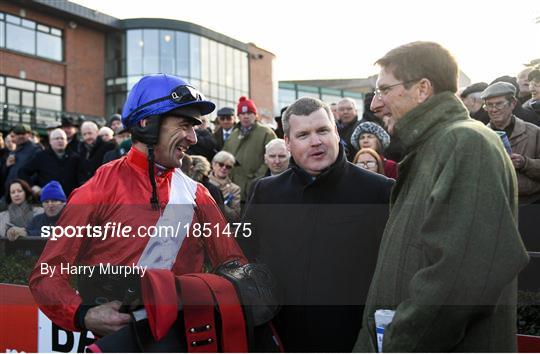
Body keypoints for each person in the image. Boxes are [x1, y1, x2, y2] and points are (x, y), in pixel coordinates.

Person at [29, 74, 246, 336]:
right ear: (147, 124)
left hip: (183, 339)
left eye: (194, 127)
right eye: (184, 125)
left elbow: (233, 265)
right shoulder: (96, 191)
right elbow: (47, 274)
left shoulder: (198, 194)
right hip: (119, 343)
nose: (193, 138)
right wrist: (82, 313)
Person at [355, 41, 529, 352]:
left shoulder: (466, 143)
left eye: (385, 90)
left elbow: (461, 280)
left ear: (422, 89)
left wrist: (396, 343)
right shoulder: (435, 147)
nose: (376, 104)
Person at [242, 97, 393, 352]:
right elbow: (244, 256)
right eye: (303, 134)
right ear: (288, 142)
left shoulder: (379, 191)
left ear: (336, 132)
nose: (316, 141)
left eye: (323, 130)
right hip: (280, 339)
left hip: (351, 340)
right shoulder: (266, 192)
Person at [481, 81, 540, 205]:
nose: (493, 110)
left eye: (499, 104)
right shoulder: (480, 136)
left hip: (530, 204)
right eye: (489, 105)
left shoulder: (534, 132)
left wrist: (524, 163)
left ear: (512, 103)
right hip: (493, 204)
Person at [223, 96, 277, 203]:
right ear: (238, 116)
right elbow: (224, 157)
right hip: (234, 188)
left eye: (249, 113)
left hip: (257, 186)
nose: (246, 116)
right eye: (242, 114)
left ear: (255, 115)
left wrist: (257, 178)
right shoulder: (233, 134)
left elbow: (273, 157)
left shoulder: (266, 133)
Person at [18, 128, 82, 197]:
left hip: (69, 199)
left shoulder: (75, 158)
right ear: (50, 141)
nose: (60, 141)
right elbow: (22, 172)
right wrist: (32, 186)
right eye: (56, 138)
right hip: (48, 200)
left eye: (62, 138)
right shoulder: (41, 156)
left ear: (66, 141)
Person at [4, 124, 41, 190]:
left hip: (24, 190)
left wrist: (30, 186)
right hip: (10, 189)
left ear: (28, 135)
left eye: (21, 134)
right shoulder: (14, 151)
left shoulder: (35, 149)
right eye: (16, 134)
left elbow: (37, 173)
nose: (19, 136)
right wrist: (7, 165)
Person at [208, 151, 242, 222]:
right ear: (213, 164)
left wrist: (219, 203)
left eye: (228, 167)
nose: (224, 168)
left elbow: (235, 216)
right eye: (221, 164)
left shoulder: (234, 189)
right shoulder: (203, 182)